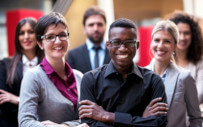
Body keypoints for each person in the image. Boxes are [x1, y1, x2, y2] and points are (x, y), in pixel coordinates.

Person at [79, 18, 168, 127]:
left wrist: (107, 116)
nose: (123, 48)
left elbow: (160, 124)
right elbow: (89, 124)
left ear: (137, 45)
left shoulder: (153, 81)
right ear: (108, 45)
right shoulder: (90, 80)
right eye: (116, 42)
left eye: (129, 43)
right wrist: (141, 120)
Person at [18, 12, 88, 127]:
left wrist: (64, 126)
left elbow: (88, 119)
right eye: (50, 37)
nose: (58, 41)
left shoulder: (79, 76)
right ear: (40, 43)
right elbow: (25, 122)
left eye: (62, 35)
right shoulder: (33, 77)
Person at [146, 20, 202, 127]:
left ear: (175, 46)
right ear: (151, 42)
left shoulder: (185, 77)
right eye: (157, 40)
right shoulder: (140, 75)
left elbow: (196, 118)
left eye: (167, 41)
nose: (160, 46)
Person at [0, 17, 43, 127]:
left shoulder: (47, 65)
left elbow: (51, 103)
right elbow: (3, 102)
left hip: (43, 123)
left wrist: (17, 99)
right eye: (21, 33)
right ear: (17, 37)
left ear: (38, 35)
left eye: (30, 32)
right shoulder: (5, 65)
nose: (26, 37)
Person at [167, 11, 203, 103]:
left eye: (186, 33)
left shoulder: (200, 64)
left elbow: (199, 95)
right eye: (179, 33)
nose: (182, 37)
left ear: (193, 36)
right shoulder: (163, 62)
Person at [67, 6, 111, 74]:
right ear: (84, 28)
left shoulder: (114, 52)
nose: (95, 28)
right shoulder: (73, 55)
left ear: (105, 26)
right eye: (91, 25)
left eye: (99, 24)